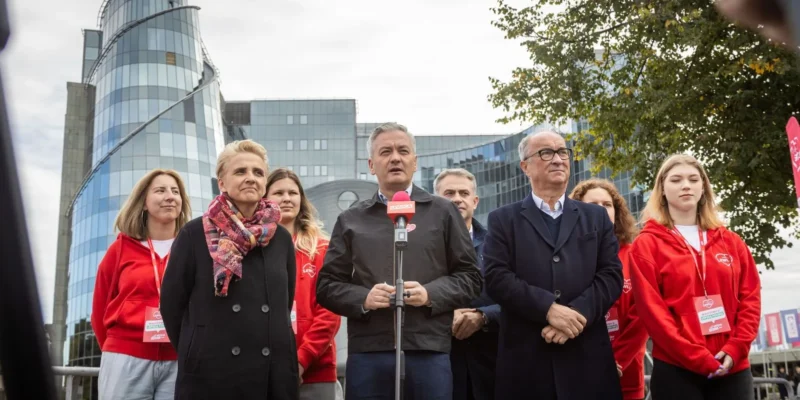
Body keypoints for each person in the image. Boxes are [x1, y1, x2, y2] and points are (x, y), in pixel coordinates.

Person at [316, 123, 483, 400]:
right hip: (370, 352)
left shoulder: (443, 212)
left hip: (428, 350)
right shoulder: (352, 218)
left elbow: (470, 277)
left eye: (403, 151)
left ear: (414, 162)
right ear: (371, 165)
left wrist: (430, 294)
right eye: (386, 152)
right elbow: (327, 285)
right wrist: (364, 297)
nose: (395, 157)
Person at [483, 131, 624, 399]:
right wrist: (548, 309)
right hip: (527, 361)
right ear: (525, 166)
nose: (558, 159)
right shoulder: (503, 219)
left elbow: (611, 275)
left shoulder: (595, 217)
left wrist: (574, 314)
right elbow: (496, 277)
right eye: (546, 153)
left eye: (562, 152)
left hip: (586, 355)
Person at [160, 140, 299, 400]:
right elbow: (171, 304)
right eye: (240, 172)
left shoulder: (279, 237)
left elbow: (285, 304)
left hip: (271, 374)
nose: (250, 178)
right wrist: (196, 349)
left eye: (258, 173)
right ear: (221, 182)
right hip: (211, 372)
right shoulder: (193, 233)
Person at [630, 154, 761, 400]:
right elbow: (653, 313)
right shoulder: (647, 245)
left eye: (693, 179)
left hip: (733, 366)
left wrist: (736, 348)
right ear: (662, 190)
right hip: (677, 369)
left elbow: (751, 299)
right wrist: (697, 357)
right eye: (676, 180)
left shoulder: (731, 242)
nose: (686, 185)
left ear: (703, 188)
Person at [91, 169, 191, 400]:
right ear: (144, 203)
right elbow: (99, 309)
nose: (170, 196)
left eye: (175, 191)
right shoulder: (120, 249)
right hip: (126, 358)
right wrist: (121, 348)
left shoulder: (192, 249)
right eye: (160, 190)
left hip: (179, 360)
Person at [266, 168, 342, 400]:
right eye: (278, 192)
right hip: (266, 372)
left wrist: (301, 360)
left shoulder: (322, 249)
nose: (287, 198)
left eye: (293, 192)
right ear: (264, 200)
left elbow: (330, 312)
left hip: (317, 373)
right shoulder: (253, 250)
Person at [570, 178, 648, 400]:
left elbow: (642, 316)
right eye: (593, 205)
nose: (601, 211)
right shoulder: (564, 257)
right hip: (577, 373)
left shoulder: (635, 255)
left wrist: (617, 360)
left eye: (607, 205)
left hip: (626, 375)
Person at [433, 168, 500, 400]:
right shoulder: (416, 246)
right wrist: (444, 317)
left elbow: (517, 299)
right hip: (438, 365)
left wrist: (483, 316)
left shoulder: (499, 244)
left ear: (475, 200)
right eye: (449, 193)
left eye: (463, 193)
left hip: (491, 366)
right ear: (435, 201)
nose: (457, 198)